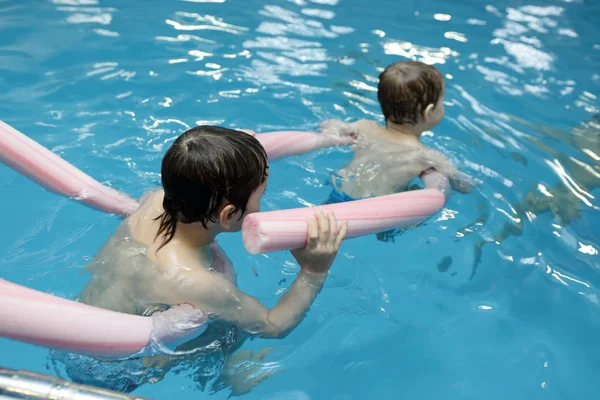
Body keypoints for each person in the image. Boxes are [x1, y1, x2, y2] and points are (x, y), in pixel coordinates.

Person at [54, 125, 348, 394]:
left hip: (80, 333)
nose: (262, 201)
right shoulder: (197, 282)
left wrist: (235, 151)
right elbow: (274, 325)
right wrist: (313, 271)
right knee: (230, 332)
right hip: (113, 372)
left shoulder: (157, 199)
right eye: (261, 194)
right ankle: (228, 374)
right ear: (229, 215)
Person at [320, 60, 472, 204]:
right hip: (375, 208)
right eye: (442, 102)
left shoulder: (365, 127)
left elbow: (331, 125)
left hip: (339, 193)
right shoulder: (426, 156)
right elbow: (463, 186)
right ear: (429, 112)